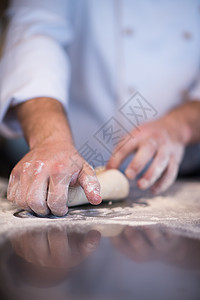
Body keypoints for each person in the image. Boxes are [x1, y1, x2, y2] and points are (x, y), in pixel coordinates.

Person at [0, 0, 200, 216]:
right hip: (61, 166)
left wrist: (179, 126)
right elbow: (35, 34)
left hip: (182, 179)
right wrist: (49, 140)